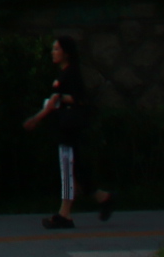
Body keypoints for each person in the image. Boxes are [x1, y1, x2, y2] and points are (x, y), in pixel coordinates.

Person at [21, 35, 111, 230]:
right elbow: (63, 100)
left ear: (66, 53)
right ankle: (104, 198)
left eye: (57, 49)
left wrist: (36, 119)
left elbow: (73, 100)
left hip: (69, 129)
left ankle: (65, 214)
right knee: (76, 170)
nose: (53, 52)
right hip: (66, 128)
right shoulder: (66, 74)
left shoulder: (69, 74)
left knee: (68, 169)